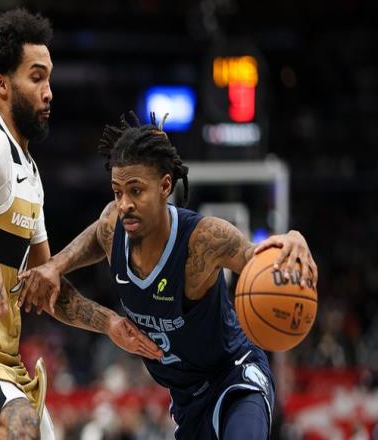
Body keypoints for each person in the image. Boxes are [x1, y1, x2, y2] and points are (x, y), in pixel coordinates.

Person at [0, 11, 162, 440]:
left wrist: (109, 324)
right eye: (36, 77)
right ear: (2, 85)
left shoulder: (30, 174)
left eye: (49, 79)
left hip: (6, 365)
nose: (49, 92)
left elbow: (47, 289)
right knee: (21, 425)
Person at [18, 112, 319, 439]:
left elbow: (257, 261)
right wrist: (57, 266)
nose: (124, 204)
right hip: (187, 402)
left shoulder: (203, 240)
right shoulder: (113, 226)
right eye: (117, 192)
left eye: (136, 191)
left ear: (164, 186)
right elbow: (96, 236)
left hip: (235, 376)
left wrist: (293, 239)